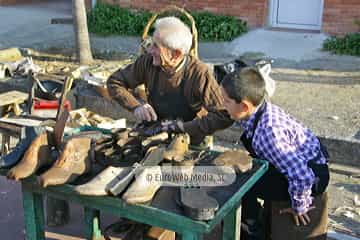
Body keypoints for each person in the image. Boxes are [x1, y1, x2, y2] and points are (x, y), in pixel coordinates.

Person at [220, 67, 330, 240]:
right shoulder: (257, 109)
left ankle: (251, 228)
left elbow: (302, 176)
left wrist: (299, 206)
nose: (222, 105)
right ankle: (256, 218)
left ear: (244, 106)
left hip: (312, 175)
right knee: (249, 172)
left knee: (241, 182)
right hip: (302, 161)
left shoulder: (268, 134)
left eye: (226, 101)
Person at [107, 16, 233, 145]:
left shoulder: (199, 74)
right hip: (154, 132)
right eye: (151, 43)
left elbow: (223, 115)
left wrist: (184, 127)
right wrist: (136, 106)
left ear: (176, 54)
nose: (150, 50)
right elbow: (114, 82)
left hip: (189, 140)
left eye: (156, 46)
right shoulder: (147, 62)